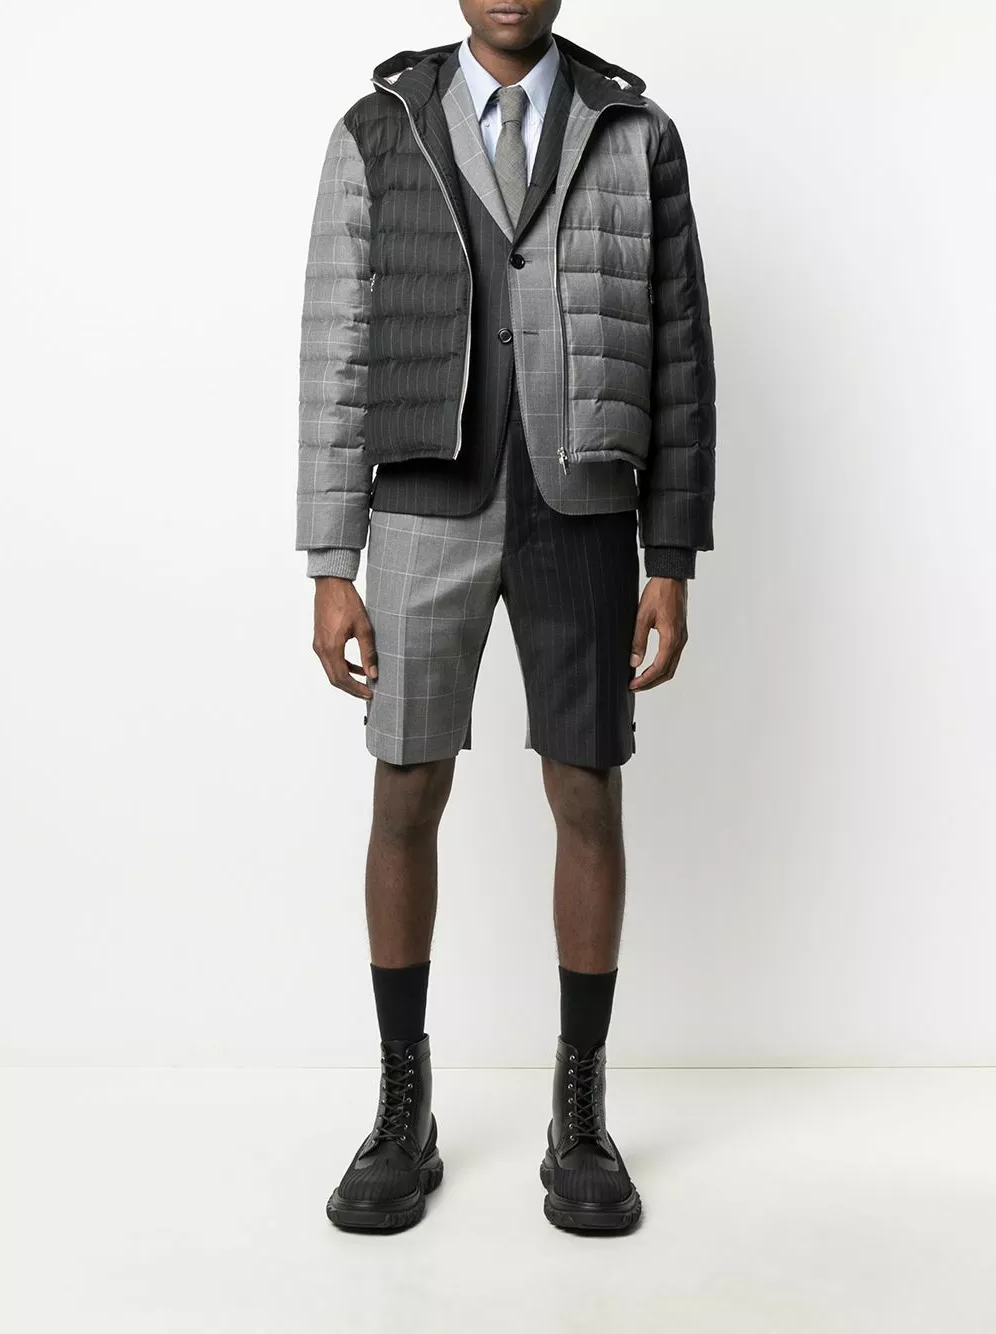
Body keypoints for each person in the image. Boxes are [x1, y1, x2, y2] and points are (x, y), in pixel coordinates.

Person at [296, 0, 716, 1233]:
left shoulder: (633, 131)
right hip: (421, 504)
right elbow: (338, 341)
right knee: (403, 789)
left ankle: (579, 1109)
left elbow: (679, 352)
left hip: (582, 505)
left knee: (587, 790)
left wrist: (671, 552)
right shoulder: (378, 127)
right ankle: (402, 1103)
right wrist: (330, 558)